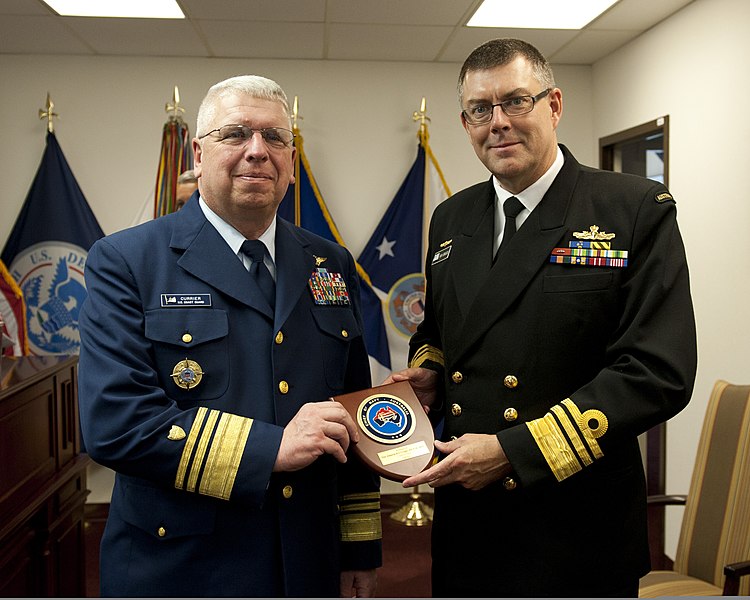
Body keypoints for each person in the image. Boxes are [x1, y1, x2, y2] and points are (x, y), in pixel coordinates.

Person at [387, 38, 697, 597]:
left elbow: (657, 371)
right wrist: (428, 371)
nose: (498, 123)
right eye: (481, 110)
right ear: (465, 122)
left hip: (575, 525)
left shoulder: (632, 210)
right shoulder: (452, 217)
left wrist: (512, 451)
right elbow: (438, 330)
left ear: (554, 105)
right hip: (469, 519)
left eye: (516, 102)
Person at [78, 75, 382, 597]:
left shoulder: (329, 263)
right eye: (236, 133)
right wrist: (272, 448)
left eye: (276, 138)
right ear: (199, 153)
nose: (258, 152)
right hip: (184, 567)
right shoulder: (127, 261)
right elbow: (115, 423)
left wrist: (358, 546)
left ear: (290, 156)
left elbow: (352, 414)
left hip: (306, 562)